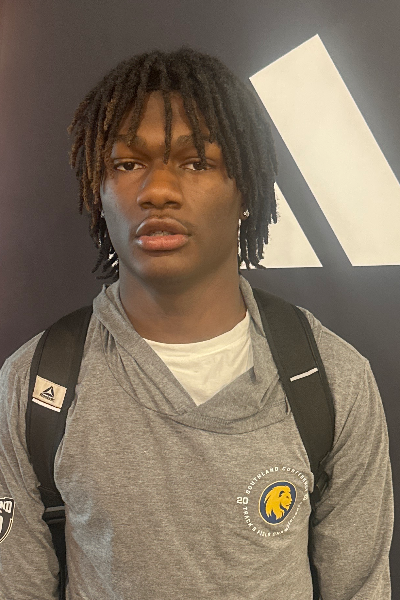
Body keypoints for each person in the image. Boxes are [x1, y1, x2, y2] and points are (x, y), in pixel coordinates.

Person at [0, 46, 393, 599]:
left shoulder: (332, 380)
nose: (157, 190)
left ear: (246, 190)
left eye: (196, 162)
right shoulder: (36, 386)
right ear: (98, 191)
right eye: (128, 164)